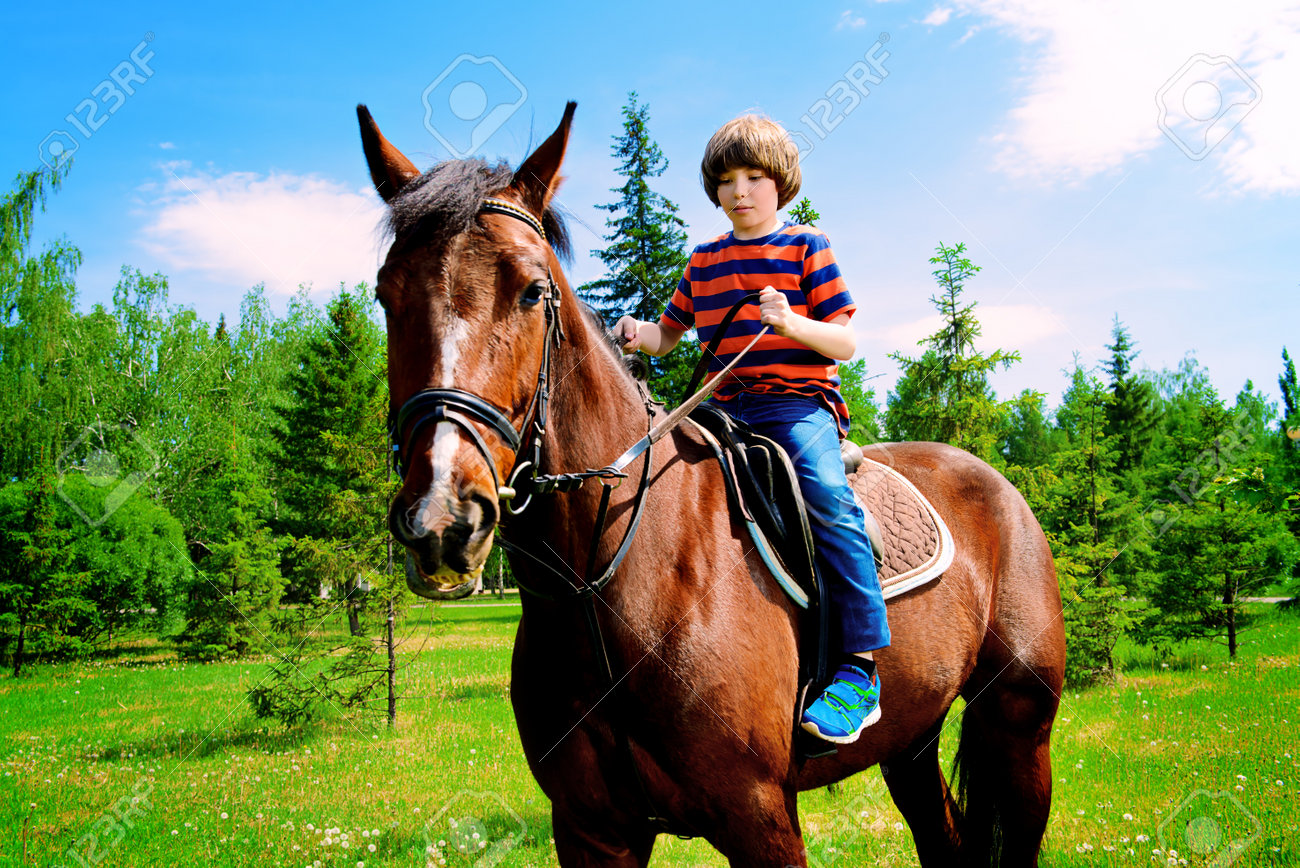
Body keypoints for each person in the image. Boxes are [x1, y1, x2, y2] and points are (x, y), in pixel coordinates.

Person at [615, 114, 892, 744]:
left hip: (797, 407)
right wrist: (636, 333)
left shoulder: (807, 247)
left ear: (780, 182)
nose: (739, 191)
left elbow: (845, 342)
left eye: (753, 177)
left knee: (827, 498)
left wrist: (791, 323)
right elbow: (667, 335)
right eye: (726, 180)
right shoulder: (704, 260)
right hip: (719, 411)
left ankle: (858, 669)